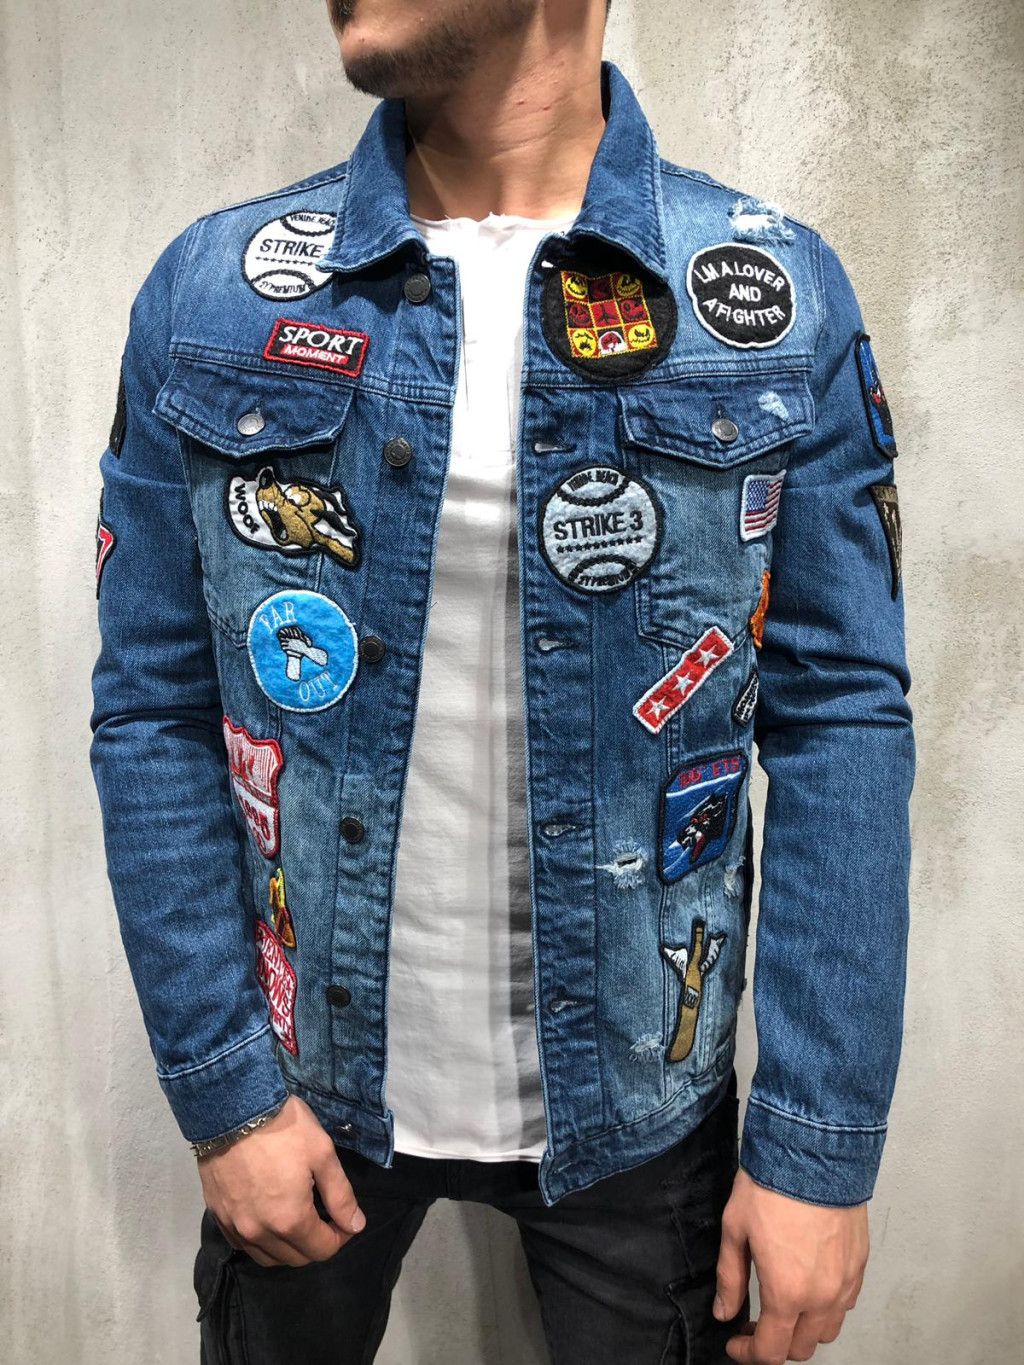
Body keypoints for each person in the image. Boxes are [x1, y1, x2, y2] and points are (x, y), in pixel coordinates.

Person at [88, 1, 914, 1361]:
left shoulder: (769, 295)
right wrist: (227, 1097)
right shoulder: (217, 293)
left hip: (644, 1117)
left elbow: (841, 721)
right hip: (305, 1103)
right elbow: (154, 707)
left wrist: (818, 1148)